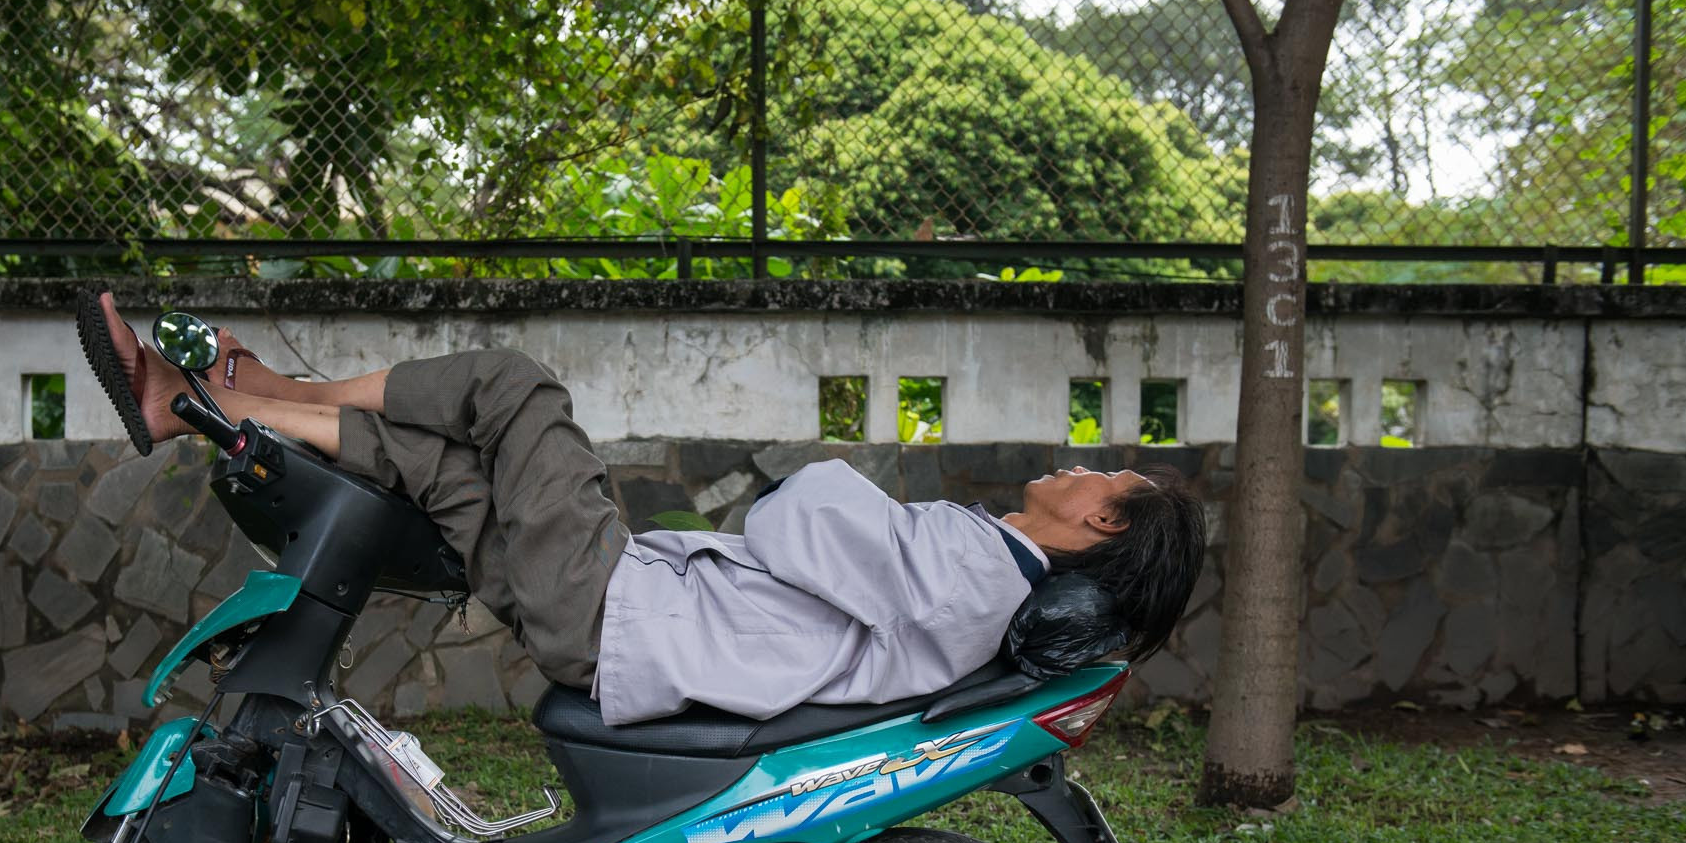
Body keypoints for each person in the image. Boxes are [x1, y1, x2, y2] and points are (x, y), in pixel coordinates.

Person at [79, 292, 1205, 726]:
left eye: (1103, 476)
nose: (1078, 465)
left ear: (1103, 527)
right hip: (621, 627)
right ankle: (203, 408)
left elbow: (801, 515)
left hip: (619, 613)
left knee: (513, 386)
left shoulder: (972, 566)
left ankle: (256, 393)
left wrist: (821, 486)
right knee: (448, 468)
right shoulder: (980, 576)